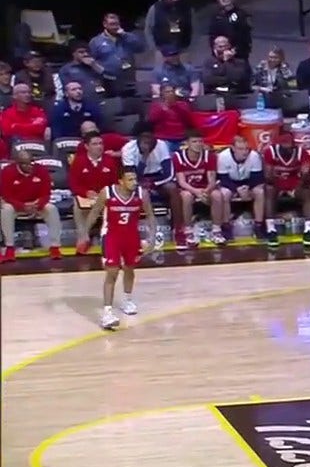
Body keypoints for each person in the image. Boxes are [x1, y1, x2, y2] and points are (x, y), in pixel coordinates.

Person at [79, 171, 160, 329]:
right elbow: (95, 212)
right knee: (112, 272)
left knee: (129, 269)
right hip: (111, 236)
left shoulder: (141, 194)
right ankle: (107, 313)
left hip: (131, 237)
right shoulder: (107, 192)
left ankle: (127, 300)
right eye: (130, 179)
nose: (134, 182)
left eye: (135, 179)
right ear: (120, 181)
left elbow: (150, 216)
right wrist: (84, 234)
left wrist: (152, 238)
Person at [0, 149, 64, 263]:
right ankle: (9, 248)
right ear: (18, 164)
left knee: (52, 209)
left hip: (36, 204)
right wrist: (22, 205)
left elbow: (46, 193)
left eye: (31, 162)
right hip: (16, 205)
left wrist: (38, 203)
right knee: (6, 209)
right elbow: (6, 195)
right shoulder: (7, 172)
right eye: (25, 163)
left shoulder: (41, 170)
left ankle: (55, 247)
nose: (30, 166)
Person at [68, 131, 120, 255]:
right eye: (95, 144)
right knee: (78, 207)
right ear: (87, 146)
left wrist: (104, 194)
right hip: (86, 196)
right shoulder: (79, 161)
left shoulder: (110, 161)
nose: (99, 146)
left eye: (101, 143)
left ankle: (113, 241)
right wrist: (86, 192)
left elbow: (115, 183)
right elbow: (73, 185)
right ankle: (83, 238)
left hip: (105, 195)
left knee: (113, 205)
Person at [261, 129, 310, 247]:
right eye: (284, 146)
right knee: (269, 189)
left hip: (295, 184)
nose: (287, 149)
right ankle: (271, 230)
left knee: (307, 192)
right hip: (276, 184)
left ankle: (308, 231)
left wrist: (304, 176)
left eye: (289, 146)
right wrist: (278, 185)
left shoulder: (301, 152)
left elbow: (306, 174)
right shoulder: (270, 152)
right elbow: (268, 177)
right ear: (278, 145)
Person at [170, 130, 217, 249]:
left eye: (200, 141)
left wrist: (206, 191)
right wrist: (196, 192)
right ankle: (188, 230)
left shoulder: (209, 156)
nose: (198, 144)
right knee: (187, 196)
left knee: (218, 195)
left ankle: (217, 230)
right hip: (187, 188)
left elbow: (212, 180)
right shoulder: (178, 157)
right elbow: (181, 182)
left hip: (204, 187)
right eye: (194, 141)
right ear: (187, 143)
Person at [214, 134, 264, 244]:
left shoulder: (254, 156)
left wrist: (247, 189)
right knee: (224, 193)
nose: (245, 152)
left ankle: (259, 225)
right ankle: (226, 226)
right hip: (230, 183)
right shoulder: (223, 156)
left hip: (248, 182)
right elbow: (223, 179)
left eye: (246, 148)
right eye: (241, 149)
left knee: (259, 192)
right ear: (232, 148)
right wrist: (237, 190)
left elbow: (258, 178)